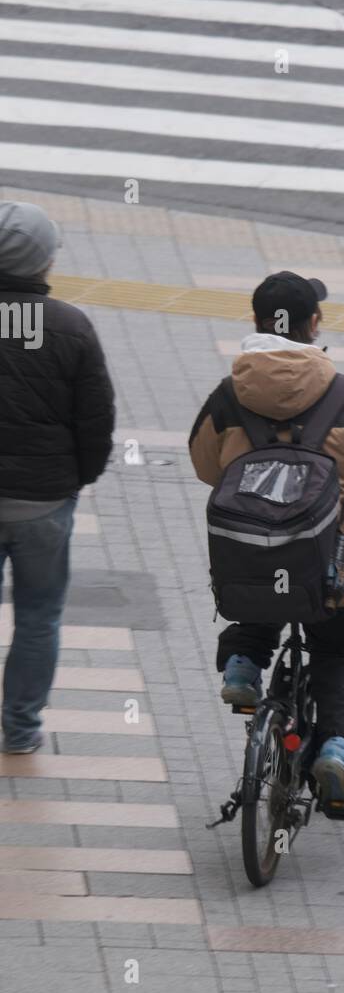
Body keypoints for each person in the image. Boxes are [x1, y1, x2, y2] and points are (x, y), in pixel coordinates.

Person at [189, 271, 344, 821]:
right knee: (338, 652)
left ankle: (243, 666)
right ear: (314, 324)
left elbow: (204, 464)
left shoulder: (229, 394)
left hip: (251, 563)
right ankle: (336, 749)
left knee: (263, 581)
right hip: (334, 571)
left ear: (257, 321)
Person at [0, 201, 115, 754]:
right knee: (39, 618)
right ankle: (20, 730)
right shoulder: (70, 326)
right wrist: (75, 480)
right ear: (43, 261)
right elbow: (96, 420)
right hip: (44, 502)